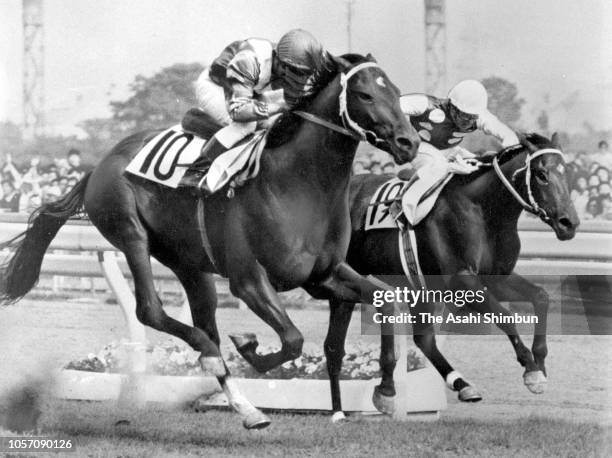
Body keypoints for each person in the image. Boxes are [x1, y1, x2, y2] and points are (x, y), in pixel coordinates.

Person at [181, 29, 331, 193]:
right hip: (215, 87)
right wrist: (277, 106)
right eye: (300, 73)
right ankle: (197, 170)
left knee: (277, 120)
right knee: (246, 125)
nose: (303, 79)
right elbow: (238, 110)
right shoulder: (250, 59)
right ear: (281, 63)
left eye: (307, 73)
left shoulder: (289, 61)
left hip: (250, 89)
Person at [400, 79, 520, 176]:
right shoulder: (424, 104)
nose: (469, 122)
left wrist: (508, 150)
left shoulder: (479, 114)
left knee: (484, 166)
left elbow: (507, 134)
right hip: (417, 147)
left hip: (449, 150)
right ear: (452, 107)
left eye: (472, 117)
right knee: (438, 166)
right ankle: (400, 205)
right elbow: (389, 106)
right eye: (465, 116)